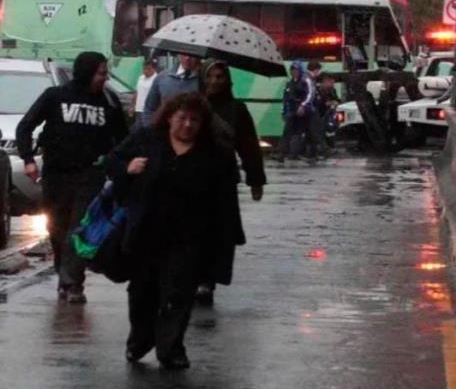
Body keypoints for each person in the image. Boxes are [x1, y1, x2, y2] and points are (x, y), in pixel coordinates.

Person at [107, 93, 244, 369]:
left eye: (195, 120)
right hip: (146, 232)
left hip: (189, 237)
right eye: (182, 118)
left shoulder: (215, 152)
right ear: (169, 117)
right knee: (141, 293)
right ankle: (140, 340)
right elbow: (112, 161)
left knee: (179, 294)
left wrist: (227, 237)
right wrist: (127, 168)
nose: (188, 125)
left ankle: (171, 348)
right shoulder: (147, 139)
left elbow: (226, 199)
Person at [16, 51, 129, 304]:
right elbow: (25, 126)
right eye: (101, 72)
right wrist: (28, 159)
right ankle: (63, 273)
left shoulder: (109, 103)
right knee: (56, 227)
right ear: (87, 73)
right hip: (56, 174)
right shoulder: (55, 96)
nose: (105, 77)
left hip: (90, 174)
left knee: (78, 227)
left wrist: (116, 164)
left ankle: (73, 282)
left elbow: (124, 139)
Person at [197, 61, 265, 306]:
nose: (215, 81)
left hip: (222, 181)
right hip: (191, 179)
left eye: (220, 77)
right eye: (210, 76)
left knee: (219, 233)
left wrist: (255, 179)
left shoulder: (236, 109)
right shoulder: (192, 106)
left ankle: (208, 280)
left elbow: (249, 146)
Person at [141, 53, 202, 125]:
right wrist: (149, 130)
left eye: (191, 54)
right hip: (162, 131)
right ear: (179, 54)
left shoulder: (203, 80)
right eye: (184, 53)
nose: (187, 58)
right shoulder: (163, 77)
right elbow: (149, 108)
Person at [276, 61, 314, 160]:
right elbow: (286, 98)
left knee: (301, 132)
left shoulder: (306, 81)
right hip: (292, 111)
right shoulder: (290, 83)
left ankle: (296, 153)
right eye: (292, 70)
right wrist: (284, 112)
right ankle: (282, 153)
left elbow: (310, 95)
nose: (294, 72)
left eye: (296, 70)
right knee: (287, 131)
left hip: (303, 111)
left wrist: (303, 106)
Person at [315, 72, 341, 149]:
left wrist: (336, 102)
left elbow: (337, 100)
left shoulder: (332, 90)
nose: (333, 84)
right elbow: (317, 103)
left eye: (333, 82)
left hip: (329, 114)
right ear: (325, 81)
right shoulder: (318, 90)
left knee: (331, 129)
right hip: (319, 114)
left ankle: (329, 146)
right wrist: (327, 103)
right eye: (331, 82)